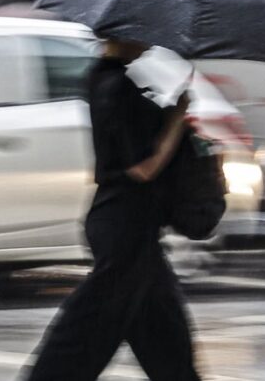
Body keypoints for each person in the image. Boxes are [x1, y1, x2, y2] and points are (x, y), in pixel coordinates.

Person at [23, 37, 202, 381]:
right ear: (121, 35)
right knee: (84, 328)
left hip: (124, 221)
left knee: (163, 332)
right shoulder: (118, 88)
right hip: (126, 224)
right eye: (141, 33)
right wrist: (177, 119)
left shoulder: (102, 78)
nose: (149, 41)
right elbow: (142, 169)